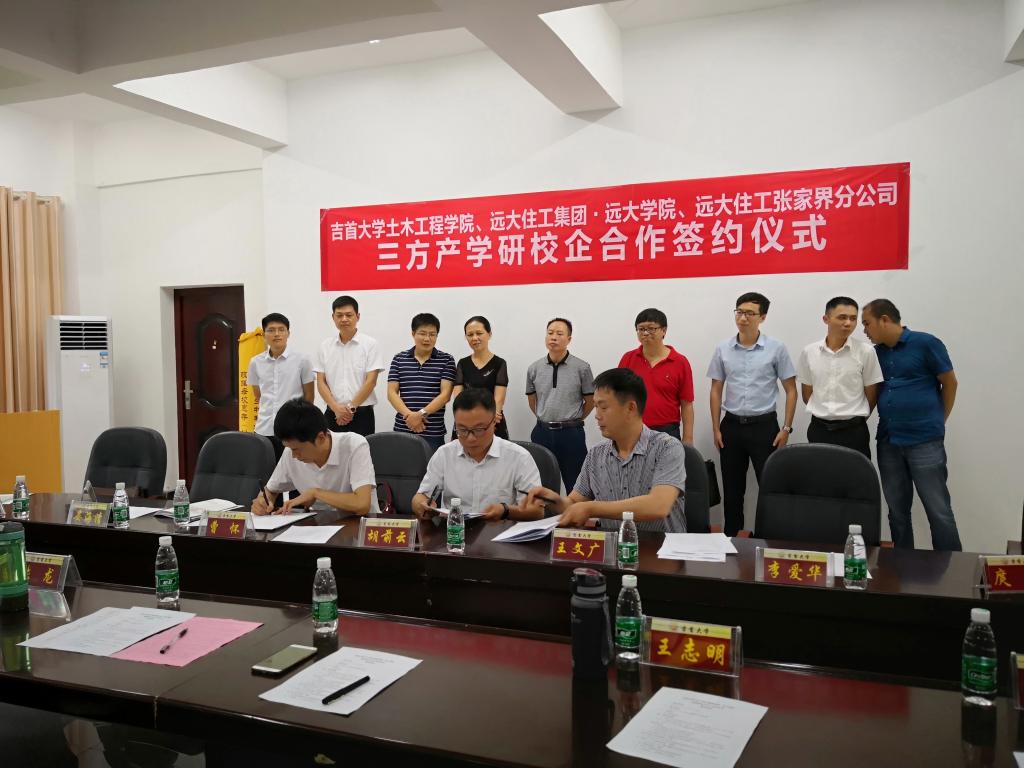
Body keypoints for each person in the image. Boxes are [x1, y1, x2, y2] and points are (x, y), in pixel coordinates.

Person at [525, 368, 686, 532]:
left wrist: (592, 508)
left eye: (603, 407)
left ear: (630, 408)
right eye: (595, 407)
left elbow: (659, 506)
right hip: (612, 546)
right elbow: (574, 503)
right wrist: (553, 500)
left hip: (662, 545)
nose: (597, 415)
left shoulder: (667, 447)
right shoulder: (596, 454)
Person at [862, 299, 961, 551]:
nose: (864, 330)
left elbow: (950, 383)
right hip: (889, 440)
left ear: (884, 320)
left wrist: (938, 420)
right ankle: (902, 567)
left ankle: (952, 568)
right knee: (897, 512)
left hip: (924, 441)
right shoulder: (875, 353)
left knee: (938, 510)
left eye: (867, 323)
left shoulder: (926, 343)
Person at [707, 292, 797, 536]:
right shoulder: (723, 349)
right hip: (731, 426)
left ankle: (767, 540)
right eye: (739, 312)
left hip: (764, 427)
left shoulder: (776, 348)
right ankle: (731, 539)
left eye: (749, 313)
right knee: (732, 489)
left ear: (762, 317)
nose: (743, 318)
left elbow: (791, 390)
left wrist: (786, 428)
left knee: (768, 486)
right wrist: (716, 428)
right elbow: (716, 389)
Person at [411, 388, 545, 521]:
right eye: (462, 429)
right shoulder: (444, 454)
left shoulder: (519, 457)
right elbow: (420, 497)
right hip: (455, 531)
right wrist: (421, 505)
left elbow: (537, 511)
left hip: (501, 532)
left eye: (479, 429)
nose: (470, 438)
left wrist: (506, 511)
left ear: (494, 422)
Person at [251, 398, 377, 516]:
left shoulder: (354, 445)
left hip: (360, 524)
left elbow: (362, 504)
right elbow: (271, 490)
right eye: (290, 448)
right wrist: (263, 502)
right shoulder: (291, 452)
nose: (294, 456)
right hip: (318, 524)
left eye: (297, 449)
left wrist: (315, 493)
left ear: (321, 438)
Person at [796, 297, 883, 459]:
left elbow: (871, 395)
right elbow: (807, 394)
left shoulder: (866, 352)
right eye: (842, 317)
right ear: (826, 319)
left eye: (853, 318)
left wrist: (853, 419)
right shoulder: (809, 352)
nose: (848, 323)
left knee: (856, 474)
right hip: (819, 429)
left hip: (854, 431)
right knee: (820, 474)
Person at [525, 318, 595, 493]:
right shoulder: (534, 368)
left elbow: (591, 400)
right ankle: (547, 512)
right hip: (542, 432)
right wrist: (544, 416)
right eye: (550, 333)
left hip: (571, 434)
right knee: (543, 485)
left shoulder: (582, 368)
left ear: (569, 339)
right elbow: (532, 400)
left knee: (577, 485)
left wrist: (574, 419)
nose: (553, 337)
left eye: (559, 333)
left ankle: (576, 513)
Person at [617, 307, 695, 443]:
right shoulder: (628, 359)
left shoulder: (680, 362)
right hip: (633, 429)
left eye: (651, 328)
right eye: (641, 329)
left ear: (664, 330)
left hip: (667, 432)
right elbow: (618, 396)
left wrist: (688, 438)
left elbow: (687, 404)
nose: (645, 333)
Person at [247, 312, 314, 462]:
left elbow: (309, 396)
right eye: (271, 330)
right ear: (264, 334)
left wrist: (301, 421)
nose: (276, 334)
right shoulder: (255, 362)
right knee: (266, 469)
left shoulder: (302, 360)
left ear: (288, 333)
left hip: (293, 429)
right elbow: (258, 395)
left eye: (281, 329)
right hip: (264, 428)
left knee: (293, 470)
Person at [315, 295, 385, 437]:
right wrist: (336, 408)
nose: (344, 319)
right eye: (339, 315)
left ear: (357, 316)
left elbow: (371, 381)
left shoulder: (370, 344)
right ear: (333, 317)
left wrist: (350, 408)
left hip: (362, 414)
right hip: (333, 413)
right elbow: (321, 382)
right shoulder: (325, 346)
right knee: (331, 451)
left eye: (349, 315)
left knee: (361, 450)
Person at [387, 312, 456, 454]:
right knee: (402, 467)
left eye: (432, 334)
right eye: (422, 333)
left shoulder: (447, 360)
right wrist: (409, 416)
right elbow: (391, 393)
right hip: (403, 427)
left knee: (433, 467)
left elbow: (445, 395)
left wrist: (421, 414)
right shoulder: (399, 359)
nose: (427, 338)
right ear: (413, 334)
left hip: (433, 432)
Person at [452, 316, 510, 440]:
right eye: (470, 335)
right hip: (466, 421)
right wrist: (467, 418)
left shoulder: (499, 363)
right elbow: (458, 397)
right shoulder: (462, 363)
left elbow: (499, 399)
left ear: (489, 334)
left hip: (492, 421)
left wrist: (488, 420)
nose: (474, 338)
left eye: (479, 333)